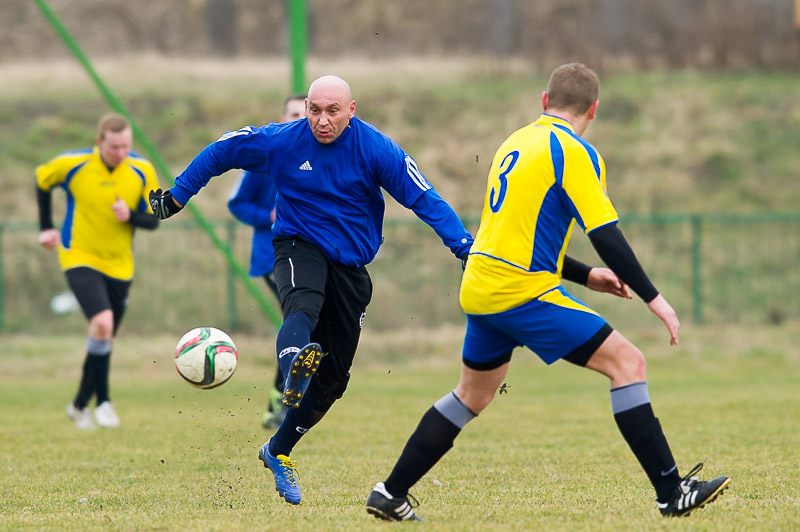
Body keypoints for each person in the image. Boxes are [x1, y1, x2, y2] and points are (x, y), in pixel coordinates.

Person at [365, 63, 730, 521]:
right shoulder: (574, 151)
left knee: (471, 396)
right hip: (520, 291)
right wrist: (655, 298)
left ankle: (389, 492)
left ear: (544, 101)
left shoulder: (515, 142)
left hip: (481, 285)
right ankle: (671, 491)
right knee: (628, 362)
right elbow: (606, 233)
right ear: (593, 110)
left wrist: (585, 276)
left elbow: (514, 236)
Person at [148, 75, 474, 505]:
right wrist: (178, 195)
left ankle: (277, 450)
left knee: (334, 381)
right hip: (297, 244)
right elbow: (223, 149)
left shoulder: (376, 149)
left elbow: (424, 198)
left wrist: (464, 246)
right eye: (314, 110)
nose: (321, 120)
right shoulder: (282, 140)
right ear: (305, 107)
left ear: (351, 110)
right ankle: (291, 365)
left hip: (352, 265)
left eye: (332, 111)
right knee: (302, 304)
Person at [36, 112, 160, 430]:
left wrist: (129, 214)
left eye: (126, 146)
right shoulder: (72, 165)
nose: (121, 153)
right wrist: (46, 227)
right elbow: (42, 180)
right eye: (114, 146)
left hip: (120, 265)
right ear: (99, 141)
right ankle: (103, 402)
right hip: (79, 255)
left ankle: (78, 405)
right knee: (102, 323)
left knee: (103, 337)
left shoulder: (142, 170)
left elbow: (153, 219)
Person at [227, 93, 306, 430]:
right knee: (299, 317)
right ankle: (281, 400)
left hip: (309, 257)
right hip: (271, 256)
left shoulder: (323, 158)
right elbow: (237, 203)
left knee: (307, 320)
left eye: (307, 114)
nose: (300, 120)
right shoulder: (268, 158)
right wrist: (267, 216)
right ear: (282, 117)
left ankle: (286, 397)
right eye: (293, 114)